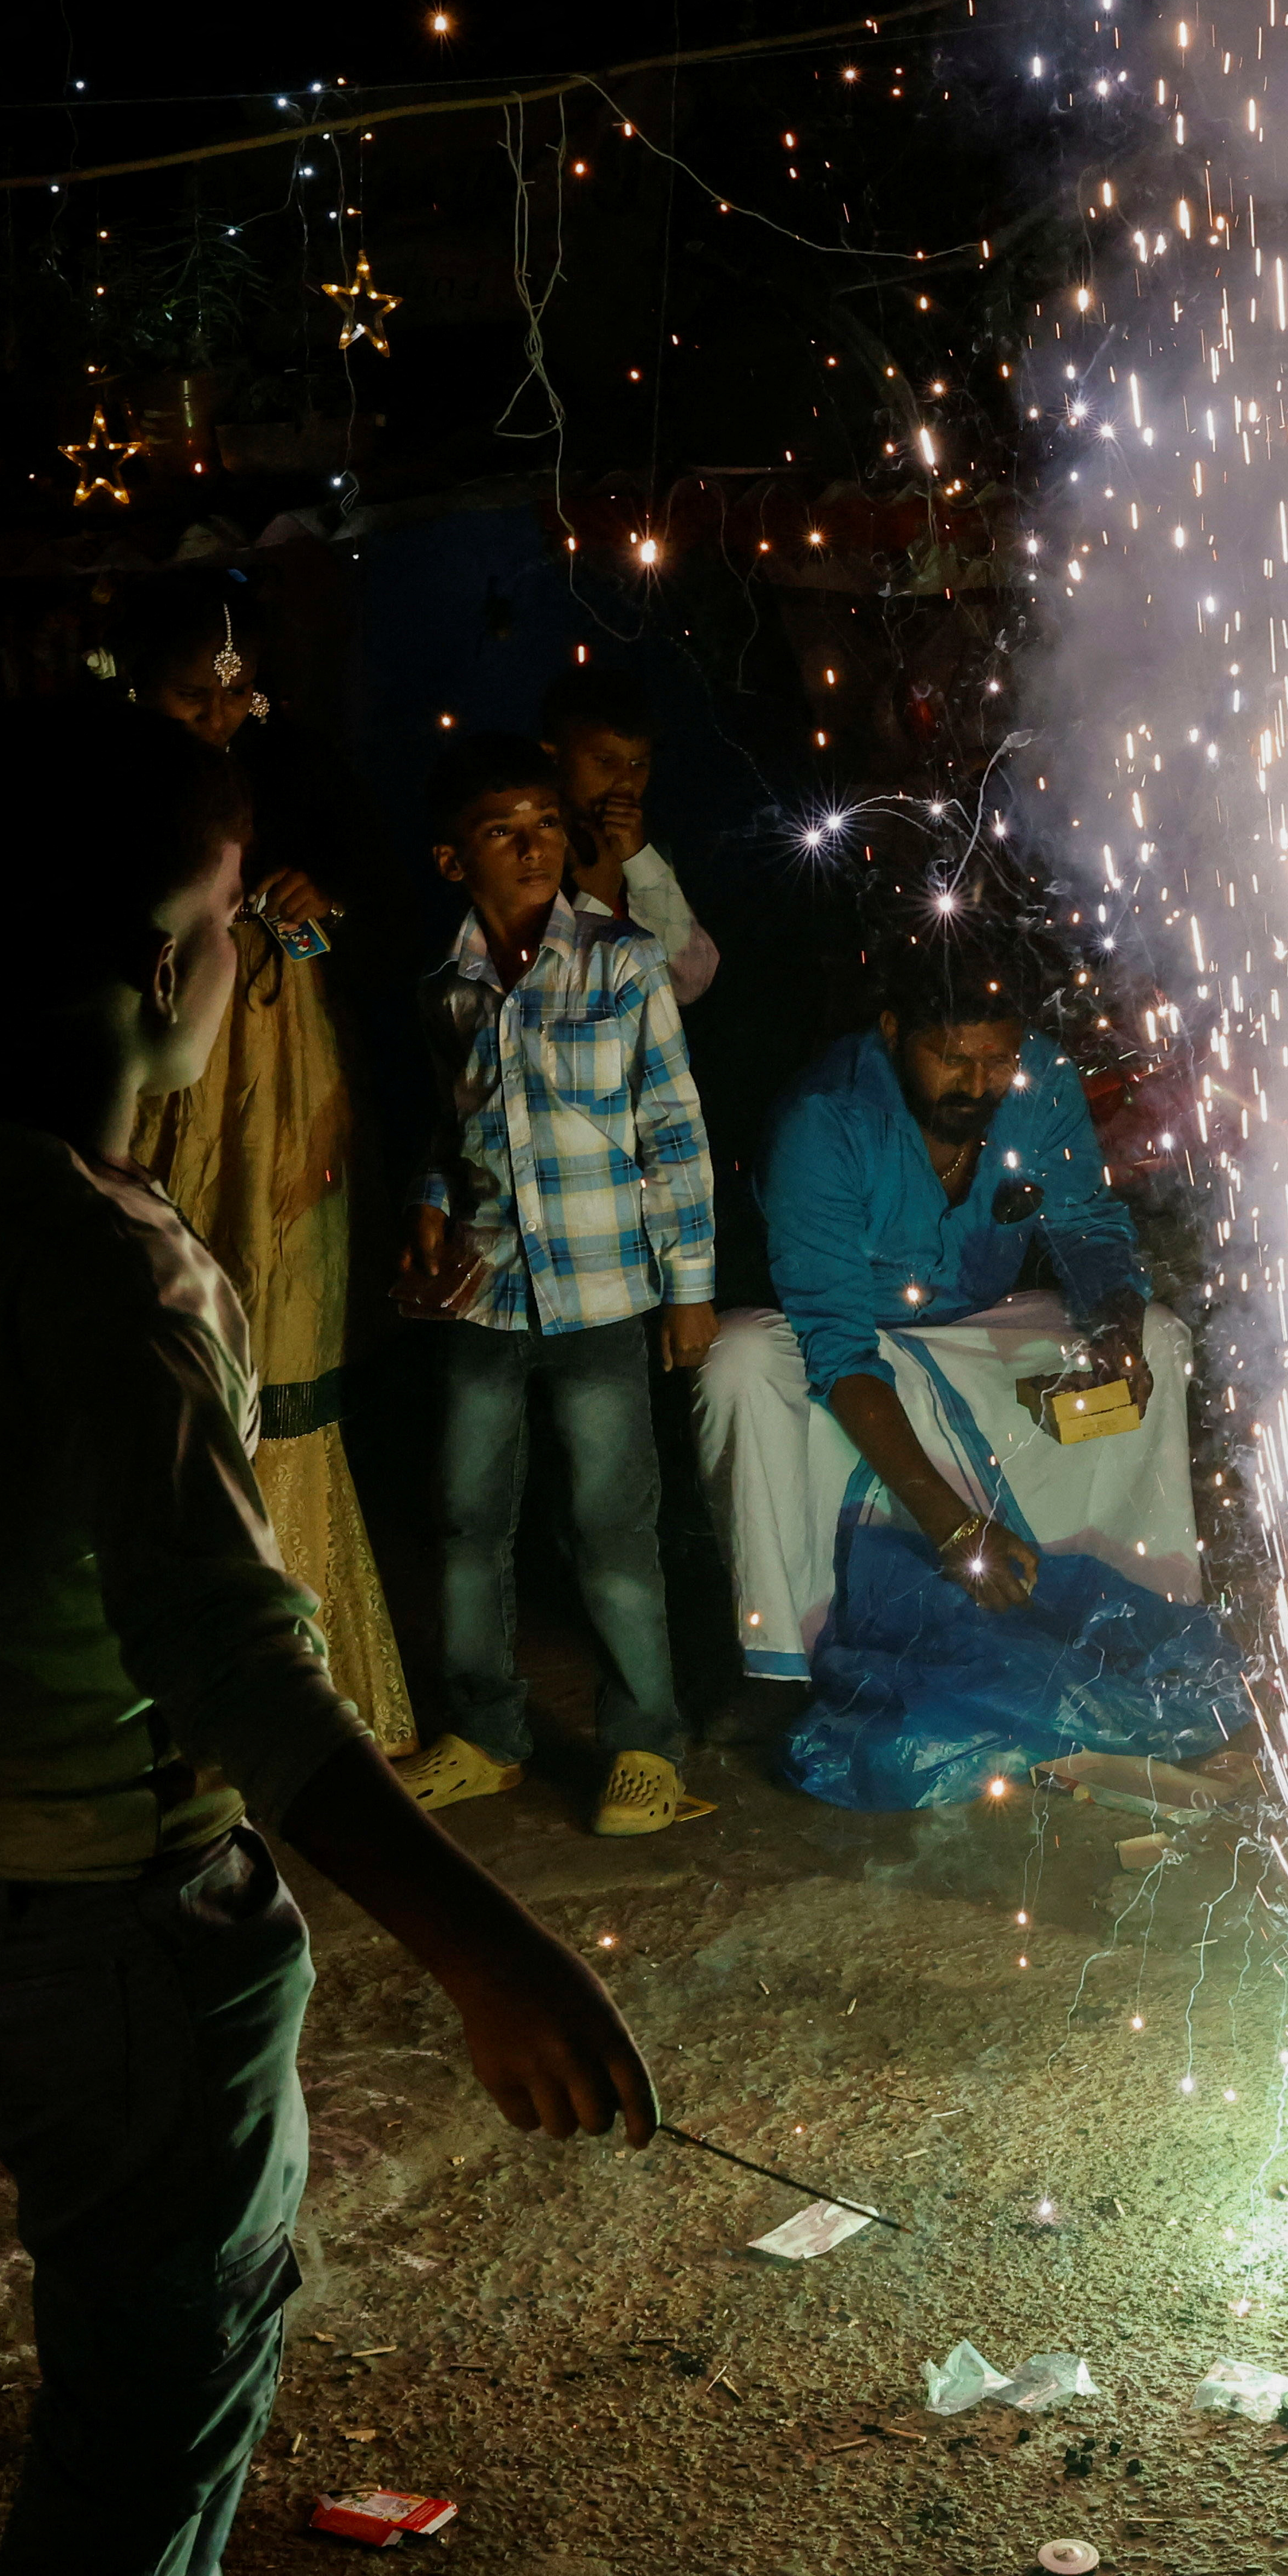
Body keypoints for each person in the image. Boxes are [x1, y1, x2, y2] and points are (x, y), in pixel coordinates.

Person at [0, 693, 655, 2576]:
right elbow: (239, 1672)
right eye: (225, 914)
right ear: (155, 958)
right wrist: (485, 1948)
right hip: (112, 1912)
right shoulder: (122, 1274)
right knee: (155, 2387)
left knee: (153, 2314)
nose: (248, 950)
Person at [698, 945, 1197, 1687]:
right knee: (737, 1360)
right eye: (951, 1058)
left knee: (1158, 1333)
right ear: (894, 1032)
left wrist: (1116, 1321)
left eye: (996, 1060)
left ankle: (1129, 1603)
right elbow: (835, 1346)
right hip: (851, 1355)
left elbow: (1088, 1229)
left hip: (977, 1335)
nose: (976, 1083)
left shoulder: (1042, 1081)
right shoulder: (825, 1120)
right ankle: (792, 1650)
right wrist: (958, 1529)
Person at [388, 732, 721, 1835]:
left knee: (612, 1526)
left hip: (603, 1291)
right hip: (485, 1292)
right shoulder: (447, 983)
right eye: (503, 831)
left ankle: (646, 1746)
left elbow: (672, 1126)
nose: (534, 846)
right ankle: (486, 1734)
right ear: (453, 861)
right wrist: (435, 1193)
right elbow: (460, 1120)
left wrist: (690, 1286)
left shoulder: (622, 961)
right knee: (466, 1516)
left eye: (544, 823)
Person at [122, 592, 420, 1757]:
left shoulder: (298, 770)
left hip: (283, 1084)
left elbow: (378, 906)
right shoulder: (112, 779)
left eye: (229, 694)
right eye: (188, 695)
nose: (213, 715)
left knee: (278, 1320)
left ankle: (308, 1674)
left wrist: (319, 901)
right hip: (161, 1073)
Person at [541, 671, 721, 1005]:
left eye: (639, 764)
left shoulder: (642, 853)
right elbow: (539, 1008)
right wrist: (594, 900)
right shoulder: (529, 856)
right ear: (553, 756)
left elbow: (692, 978)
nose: (625, 782)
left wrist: (638, 859)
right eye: (605, 761)